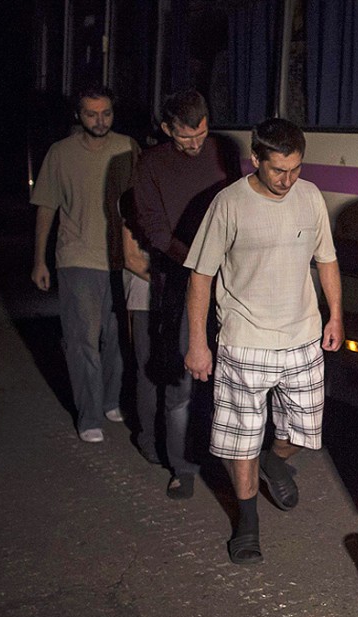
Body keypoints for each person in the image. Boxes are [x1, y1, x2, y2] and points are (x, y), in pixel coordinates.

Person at [183, 118, 343, 565]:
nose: (287, 180)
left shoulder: (309, 196)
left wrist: (336, 316)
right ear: (256, 160)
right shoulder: (228, 203)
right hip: (245, 340)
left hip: (302, 337)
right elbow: (200, 275)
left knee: (305, 430)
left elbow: (326, 259)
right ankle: (248, 522)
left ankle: (276, 461)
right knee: (241, 440)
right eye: (278, 170)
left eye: (295, 169)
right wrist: (199, 342)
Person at [128, 89, 238, 497]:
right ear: (166, 129)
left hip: (231, 278)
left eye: (201, 134)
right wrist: (198, 263)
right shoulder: (150, 164)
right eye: (185, 138)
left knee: (232, 376)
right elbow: (155, 229)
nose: (194, 145)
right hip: (180, 278)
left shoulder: (222, 151)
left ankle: (233, 458)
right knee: (183, 380)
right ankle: (182, 466)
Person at [31, 85, 138, 443]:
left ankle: (110, 400)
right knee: (83, 342)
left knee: (118, 339)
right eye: (92, 114)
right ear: (79, 115)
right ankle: (89, 415)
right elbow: (47, 205)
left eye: (106, 113)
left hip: (120, 260)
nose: (100, 120)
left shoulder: (126, 148)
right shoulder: (60, 153)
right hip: (76, 258)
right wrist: (39, 260)